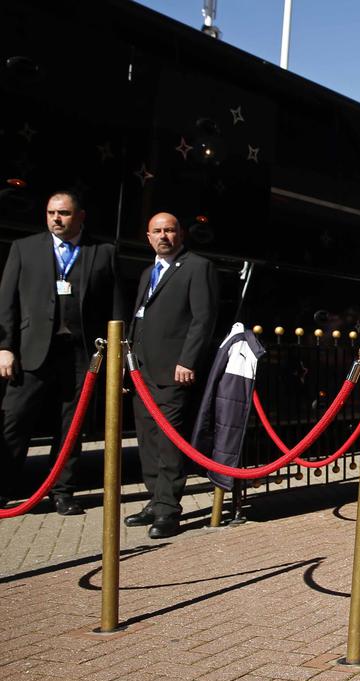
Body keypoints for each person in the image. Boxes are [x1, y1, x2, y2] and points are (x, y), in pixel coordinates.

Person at [0, 191, 125, 514]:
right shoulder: (24, 249)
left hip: (82, 355)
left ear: (80, 216)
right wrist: (5, 347)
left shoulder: (103, 252)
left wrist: (116, 356)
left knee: (71, 425)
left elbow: (115, 309)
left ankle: (63, 491)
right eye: (51, 212)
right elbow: (7, 303)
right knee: (15, 421)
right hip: (31, 352)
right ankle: (3, 488)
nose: (56, 218)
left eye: (64, 213)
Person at [126, 212, 218, 538]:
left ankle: (168, 511)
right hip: (143, 372)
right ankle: (155, 499)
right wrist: (130, 364)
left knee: (169, 442)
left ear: (180, 234)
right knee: (148, 439)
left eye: (169, 230)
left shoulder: (197, 267)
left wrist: (188, 361)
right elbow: (139, 319)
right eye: (157, 231)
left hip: (174, 372)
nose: (163, 236)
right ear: (148, 236)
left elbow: (202, 319)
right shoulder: (148, 272)